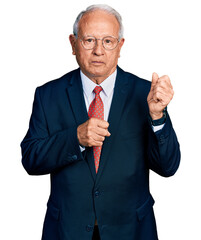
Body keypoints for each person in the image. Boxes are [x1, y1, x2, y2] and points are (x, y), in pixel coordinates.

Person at [21, 4, 180, 240]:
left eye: (108, 41)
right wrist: (74, 138)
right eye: (89, 40)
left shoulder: (145, 93)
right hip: (67, 230)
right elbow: (31, 159)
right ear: (73, 44)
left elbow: (168, 168)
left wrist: (158, 117)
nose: (98, 51)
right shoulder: (48, 95)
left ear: (120, 46)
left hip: (131, 230)